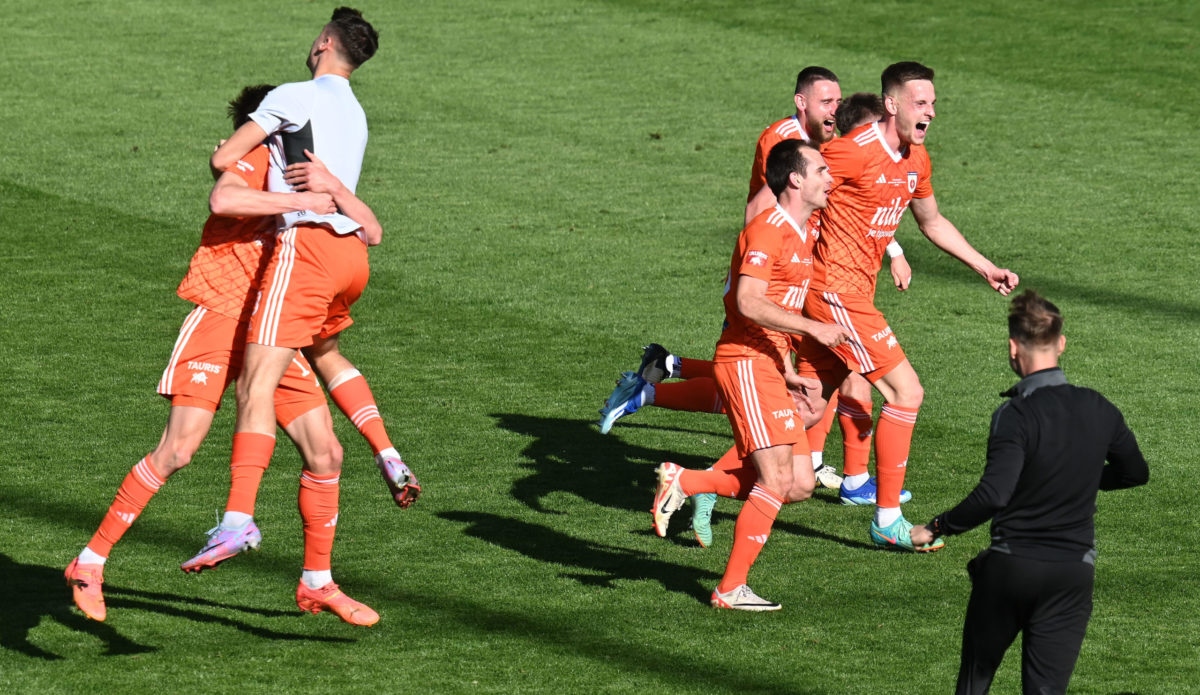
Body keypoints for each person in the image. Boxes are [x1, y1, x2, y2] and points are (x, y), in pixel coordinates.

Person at [64, 82, 409, 627]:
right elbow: (224, 199)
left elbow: (369, 231)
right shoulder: (258, 155)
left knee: (326, 454)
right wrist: (301, 201)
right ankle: (89, 562)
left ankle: (317, 583)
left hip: (273, 328)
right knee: (178, 450)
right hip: (222, 317)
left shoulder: (302, 169)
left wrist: (331, 195)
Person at [202, 7, 385, 620]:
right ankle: (317, 578)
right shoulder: (356, 114)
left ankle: (237, 518)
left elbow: (224, 163)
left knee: (253, 386)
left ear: (324, 43)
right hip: (351, 260)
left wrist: (235, 154)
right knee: (320, 411)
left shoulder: (292, 94)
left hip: (305, 251)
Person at [791, 61, 1019, 552]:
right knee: (906, 392)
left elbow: (931, 221)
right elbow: (792, 194)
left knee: (806, 407)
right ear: (892, 104)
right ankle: (887, 518)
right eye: (921, 103)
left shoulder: (917, 159)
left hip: (854, 293)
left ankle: (703, 482)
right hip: (834, 291)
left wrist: (985, 267)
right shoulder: (851, 152)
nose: (930, 112)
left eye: (933, 103)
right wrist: (776, 270)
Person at [910, 291, 1148, 694]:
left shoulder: (1016, 413)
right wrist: (1081, 476)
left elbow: (993, 495)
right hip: (1072, 573)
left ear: (1012, 347)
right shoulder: (1100, 407)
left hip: (1011, 568)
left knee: (975, 681)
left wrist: (936, 527)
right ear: (1061, 344)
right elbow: (1135, 473)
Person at [651, 139, 850, 611]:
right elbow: (748, 302)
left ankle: (687, 482)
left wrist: (788, 370)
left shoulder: (802, 233)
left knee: (799, 482)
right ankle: (729, 589)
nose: (830, 178)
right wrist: (812, 329)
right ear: (795, 179)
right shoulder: (767, 231)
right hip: (744, 362)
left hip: (768, 365)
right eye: (821, 170)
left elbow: (775, 309)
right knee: (776, 479)